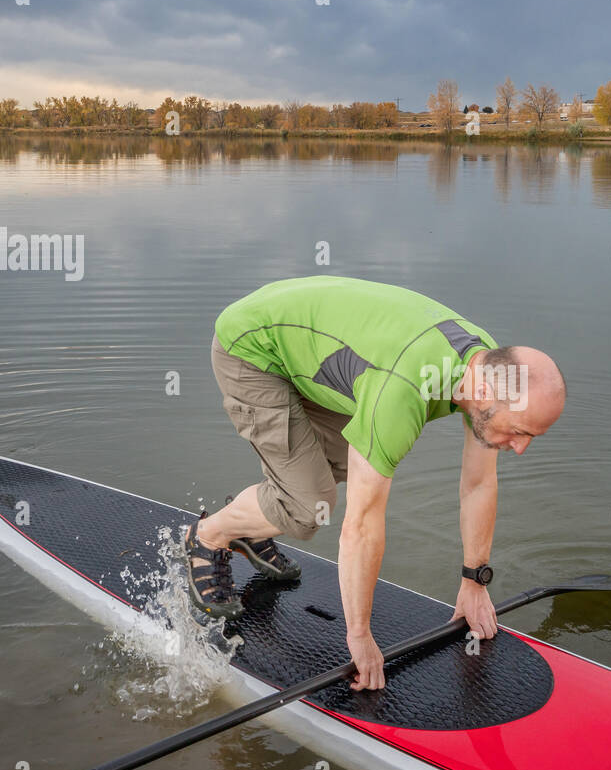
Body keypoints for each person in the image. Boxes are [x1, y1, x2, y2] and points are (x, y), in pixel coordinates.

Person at [185, 275, 566, 690]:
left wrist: (475, 582)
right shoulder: (401, 392)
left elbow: (478, 485)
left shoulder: (489, 366)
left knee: (346, 466)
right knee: (309, 506)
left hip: (319, 350)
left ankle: (256, 519)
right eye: (519, 431)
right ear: (484, 391)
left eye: (531, 436)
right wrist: (359, 636)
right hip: (252, 349)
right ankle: (209, 535)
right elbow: (362, 524)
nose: (522, 447)